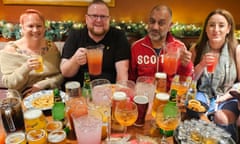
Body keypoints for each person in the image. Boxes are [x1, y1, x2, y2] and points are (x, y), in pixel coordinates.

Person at [190, 9, 240, 142]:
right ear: (206, 29)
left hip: (228, 94)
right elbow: (189, 80)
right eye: (211, 25)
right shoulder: (197, 49)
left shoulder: (236, 50)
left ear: (228, 29)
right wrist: (201, 65)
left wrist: (227, 96)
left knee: (221, 117)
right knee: (196, 113)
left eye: (221, 25)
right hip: (202, 93)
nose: (216, 29)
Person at [60, 0, 130, 87]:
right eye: (94, 16)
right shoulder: (75, 35)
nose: (99, 20)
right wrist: (75, 60)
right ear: (86, 18)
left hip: (107, 91)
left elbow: (122, 74)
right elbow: (65, 73)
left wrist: (118, 95)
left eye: (103, 16)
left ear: (109, 19)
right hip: (78, 91)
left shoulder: (118, 36)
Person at [128, 4, 193, 91]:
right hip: (143, 97)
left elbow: (186, 81)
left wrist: (186, 65)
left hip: (169, 98)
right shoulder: (136, 47)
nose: (155, 27)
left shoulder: (179, 47)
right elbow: (131, 79)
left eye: (161, 23)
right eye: (152, 21)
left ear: (170, 26)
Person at [0, 9, 64, 97]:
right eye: (30, 26)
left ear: (44, 28)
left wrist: (44, 84)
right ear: (22, 28)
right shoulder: (11, 50)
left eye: (39, 26)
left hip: (49, 93)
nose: (35, 30)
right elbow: (9, 83)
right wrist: (26, 67)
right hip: (21, 96)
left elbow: (61, 75)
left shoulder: (51, 47)